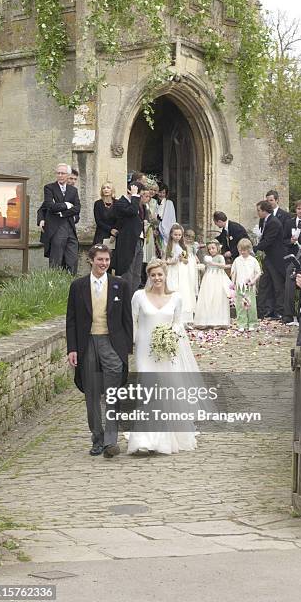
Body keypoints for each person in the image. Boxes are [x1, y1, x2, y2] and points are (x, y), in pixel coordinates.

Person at [66, 245, 133, 457]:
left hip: (111, 344)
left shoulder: (119, 285)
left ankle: (111, 441)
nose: (103, 264)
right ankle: (97, 438)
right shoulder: (78, 286)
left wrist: (126, 349)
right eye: (100, 260)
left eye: (106, 260)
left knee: (113, 393)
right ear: (91, 260)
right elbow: (71, 320)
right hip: (87, 344)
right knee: (92, 394)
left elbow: (127, 319)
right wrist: (72, 349)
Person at [127, 259, 199, 455]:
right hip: (145, 351)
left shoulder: (176, 298)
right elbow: (133, 322)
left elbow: (178, 323)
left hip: (166, 350)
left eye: (160, 274)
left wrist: (169, 337)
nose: (157, 278)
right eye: (153, 275)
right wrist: (132, 345)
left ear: (165, 275)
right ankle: (144, 438)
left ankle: (165, 437)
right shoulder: (139, 296)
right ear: (148, 277)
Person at [38, 163, 80, 274]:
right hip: (56, 228)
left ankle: (71, 286)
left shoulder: (73, 191)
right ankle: (55, 287)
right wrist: (66, 205)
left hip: (70, 228)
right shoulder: (49, 188)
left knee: (72, 260)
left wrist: (62, 213)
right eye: (58, 173)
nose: (60, 175)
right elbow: (48, 206)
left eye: (63, 173)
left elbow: (77, 208)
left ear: (67, 175)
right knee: (56, 262)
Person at [254, 200, 285, 320]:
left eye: (259, 210)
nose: (258, 213)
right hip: (268, 257)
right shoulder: (263, 220)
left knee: (277, 285)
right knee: (264, 283)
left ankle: (279, 311)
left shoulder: (274, 222)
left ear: (264, 210)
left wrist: (254, 248)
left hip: (276, 258)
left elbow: (268, 240)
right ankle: (264, 310)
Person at [113, 182, 145, 294]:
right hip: (128, 241)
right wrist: (135, 196)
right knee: (129, 271)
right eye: (139, 194)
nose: (140, 197)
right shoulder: (120, 203)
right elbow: (131, 211)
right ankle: (127, 299)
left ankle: (134, 298)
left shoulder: (137, 203)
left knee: (137, 273)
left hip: (139, 239)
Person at [194, 240, 231, 329]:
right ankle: (205, 320)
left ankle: (218, 321)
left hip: (218, 277)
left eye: (213, 248)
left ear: (217, 248)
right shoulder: (208, 257)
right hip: (208, 277)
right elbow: (207, 267)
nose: (211, 250)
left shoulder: (220, 257)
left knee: (217, 298)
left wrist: (212, 263)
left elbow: (223, 266)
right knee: (207, 297)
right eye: (209, 249)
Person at [282, 200, 301, 324]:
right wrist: (291, 241)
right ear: (296, 210)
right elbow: (283, 240)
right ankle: (288, 314)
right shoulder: (289, 223)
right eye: (298, 208)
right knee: (289, 281)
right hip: (293, 257)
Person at [165, 223, 196, 324]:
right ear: (171, 235)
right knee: (173, 290)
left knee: (183, 292)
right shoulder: (168, 246)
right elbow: (165, 261)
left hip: (182, 272)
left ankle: (184, 318)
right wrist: (173, 260)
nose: (177, 237)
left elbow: (186, 261)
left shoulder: (183, 246)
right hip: (172, 271)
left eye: (179, 235)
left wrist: (183, 259)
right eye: (175, 235)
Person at [231, 238, 261, 332]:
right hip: (240, 286)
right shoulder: (237, 260)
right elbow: (233, 272)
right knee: (240, 306)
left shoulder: (253, 260)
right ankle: (241, 323)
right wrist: (233, 283)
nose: (242, 252)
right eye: (240, 250)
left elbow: (258, 272)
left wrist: (253, 281)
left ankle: (252, 323)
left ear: (249, 250)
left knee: (251, 306)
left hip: (250, 286)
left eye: (244, 250)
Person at [93, 181, 118, 245]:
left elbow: (119, 220)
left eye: (108, 188)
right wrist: (110, 230)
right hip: (101, 234)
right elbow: (98, 221)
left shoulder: (117, 203)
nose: (106, 189)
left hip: (115, 234)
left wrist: (114, 233)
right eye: (104, 188)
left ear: (112, 190)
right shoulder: (98, 203)